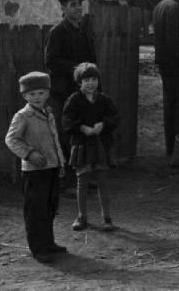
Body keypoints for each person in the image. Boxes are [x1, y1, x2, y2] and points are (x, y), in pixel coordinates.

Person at [5, 72, 66, 263]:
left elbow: (54, 141)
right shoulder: (23, 116)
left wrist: (60, 163)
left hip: (51, 168)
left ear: (47, 93)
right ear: (25, 96)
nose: (37, 97)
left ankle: (48, 242)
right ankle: (38, 248)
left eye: (40, 93)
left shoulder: (48, 114)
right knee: (35, 210)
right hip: (34, 172)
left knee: (49, 207)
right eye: (32, 94)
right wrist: (30, 153)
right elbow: (11, 139)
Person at [45, 0, 97, 194]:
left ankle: (81, 177)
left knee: (83, 134)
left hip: (82, 91)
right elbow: (51, 61)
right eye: (72, 5)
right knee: (67, 135)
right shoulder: (58, 31)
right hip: (64, 91)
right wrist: (76, 69)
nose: (77, 8)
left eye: (79, 4)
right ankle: (66, 183)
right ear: (63, 9)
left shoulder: (82, 29)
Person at [62, 63, 119, 232]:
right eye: (86, 80)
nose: (90, 83)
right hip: (82, 146)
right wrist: (81, 128)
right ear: (79, 82)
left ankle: (107, 218)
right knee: (83, 181)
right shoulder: (74, 100)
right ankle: (81, 216)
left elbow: (115, 117)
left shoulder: (104, 100)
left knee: (102, 181)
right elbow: (66, 121)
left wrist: (103, 124)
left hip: (101, 145)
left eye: (94, 79)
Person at [152, 0, 179, 165]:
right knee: (176, 104)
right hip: (173, 62)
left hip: (165, 61)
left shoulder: (161, 5)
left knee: (169, 103)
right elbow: (174, 40)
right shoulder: (174, 7)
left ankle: (170, 146)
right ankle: (175, 149)